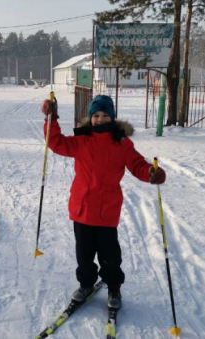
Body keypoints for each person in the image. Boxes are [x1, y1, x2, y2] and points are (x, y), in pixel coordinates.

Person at [41, 94, 166, 310]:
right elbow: (56, 143)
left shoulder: (122, 144)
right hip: (82, 210)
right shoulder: (81, 140)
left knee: (110, 255)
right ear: (90, 118)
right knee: (84, 254)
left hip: (107, 211)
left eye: (105, 115)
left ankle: (114, 287)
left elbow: (137, 165)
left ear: (113, 118)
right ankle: (86, 285)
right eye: (96, 115)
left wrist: (151, 173)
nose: (100, 119)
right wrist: (51, 119)